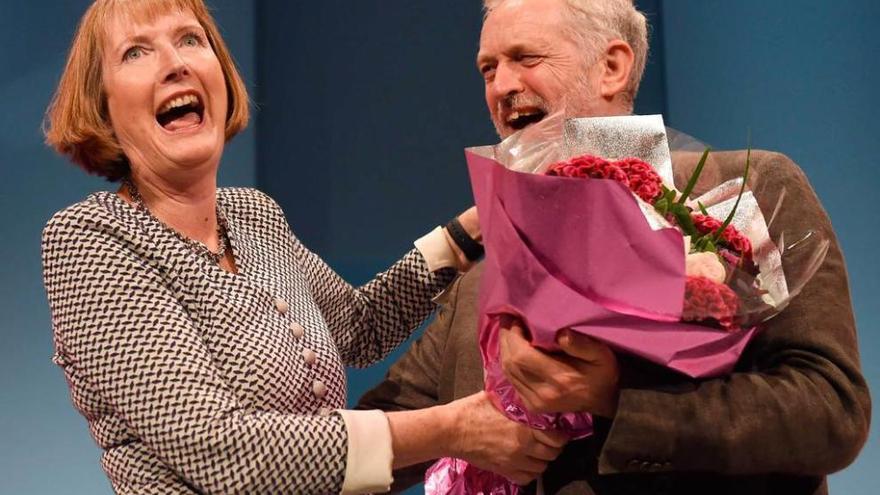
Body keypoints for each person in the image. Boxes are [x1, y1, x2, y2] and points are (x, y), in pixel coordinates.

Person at [40, 0, 568, 493]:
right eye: (136, 51)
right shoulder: (90, 239)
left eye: (190, 40)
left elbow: (360, 328)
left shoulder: (253, 215)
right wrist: (450, 429)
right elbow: (217, 449)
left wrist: (476, 226)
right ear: (101, 107)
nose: (175, 64)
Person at [357, 0, 871, 493]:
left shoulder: (747, 189)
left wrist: (617, 399)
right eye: (488, 69)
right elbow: (385, 436)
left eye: (525, 58)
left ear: (612, 67)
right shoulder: (480, 284)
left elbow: (830, 409)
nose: (502, 87)